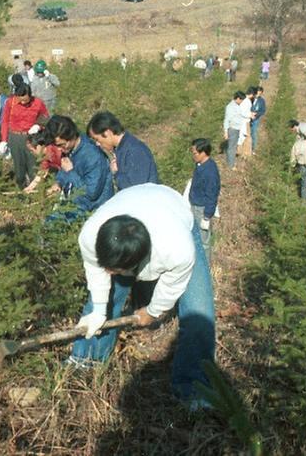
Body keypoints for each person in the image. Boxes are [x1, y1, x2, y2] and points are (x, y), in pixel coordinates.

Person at [68, 184, 216, 409]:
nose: (107, 273)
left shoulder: (177, 248)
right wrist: (99, 310)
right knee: (102, 304)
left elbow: (172, 284)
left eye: (114, 270)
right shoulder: (91, 234)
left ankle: (193, 389)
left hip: (175, 213)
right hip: (134, 203)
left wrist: (153, 311)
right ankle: (85, 362)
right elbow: (96, 273)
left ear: (135, 263)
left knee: (200, 313)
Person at [45, 115, 113, 219]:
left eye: (61, 145)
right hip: (72, 205)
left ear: (71, 137)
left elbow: (91, 194)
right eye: (56, 146)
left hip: (91, 212)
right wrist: (58, 183)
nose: (59, 150)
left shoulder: (93, 157)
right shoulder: (68, 149)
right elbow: (63, 170)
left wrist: (71, 172)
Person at [86, 111, 159, 190]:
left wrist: (116, 173)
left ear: (107, 133)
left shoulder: (134, 150)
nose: (97, 144)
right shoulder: (121, 149)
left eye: (97, 139)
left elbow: (136, 188)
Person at [0, 83, 49, 188]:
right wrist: (4, 140)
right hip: (15, 137)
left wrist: (38, 126)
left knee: (33, 167)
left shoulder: (38, 103)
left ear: (30, 96)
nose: (23, 103)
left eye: (25, 101)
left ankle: (35, 191)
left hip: (32, 138)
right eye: (20, 100)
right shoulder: (10, 102)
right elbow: (4, 121)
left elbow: (46, 118)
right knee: (19, 168)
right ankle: (21, 191)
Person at [188, 138, 220, 260]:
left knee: (204, 241)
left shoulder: (210, 171)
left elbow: (212, 195)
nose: (193, 155)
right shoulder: (200, 164)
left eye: (195, 153)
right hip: (194, 205)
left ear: (203, 152)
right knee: (196, 237)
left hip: (202, 209)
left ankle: (206, 267)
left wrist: (206, 216)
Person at [23, 130, 61, 194]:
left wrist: (58, 184)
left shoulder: (56, 151)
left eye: (32, 150)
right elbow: (42, 172)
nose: (31, 153)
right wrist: (29, 188)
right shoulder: (44, 156)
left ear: (38, 147)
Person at [223, 91, 247, 170]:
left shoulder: (237, 105)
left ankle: (231, 162)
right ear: (237, 98)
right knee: (231, 147)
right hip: (233, 129)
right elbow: (226, 120)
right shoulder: (230, 107)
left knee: (233, 146)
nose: (242, 102)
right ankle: (231, 165)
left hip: (237, 128)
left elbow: (240, 115)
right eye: (241, 100)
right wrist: (226, 132)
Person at [250, 86, 267, 153]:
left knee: (254, 133)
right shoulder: (250, 98)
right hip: (247, 118)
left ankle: (253, 148)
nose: (258, 95)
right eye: (257, 93)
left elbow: (263, 111)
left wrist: (256, 114)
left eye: (260, 93)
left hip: (255, 119)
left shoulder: (262, 101)